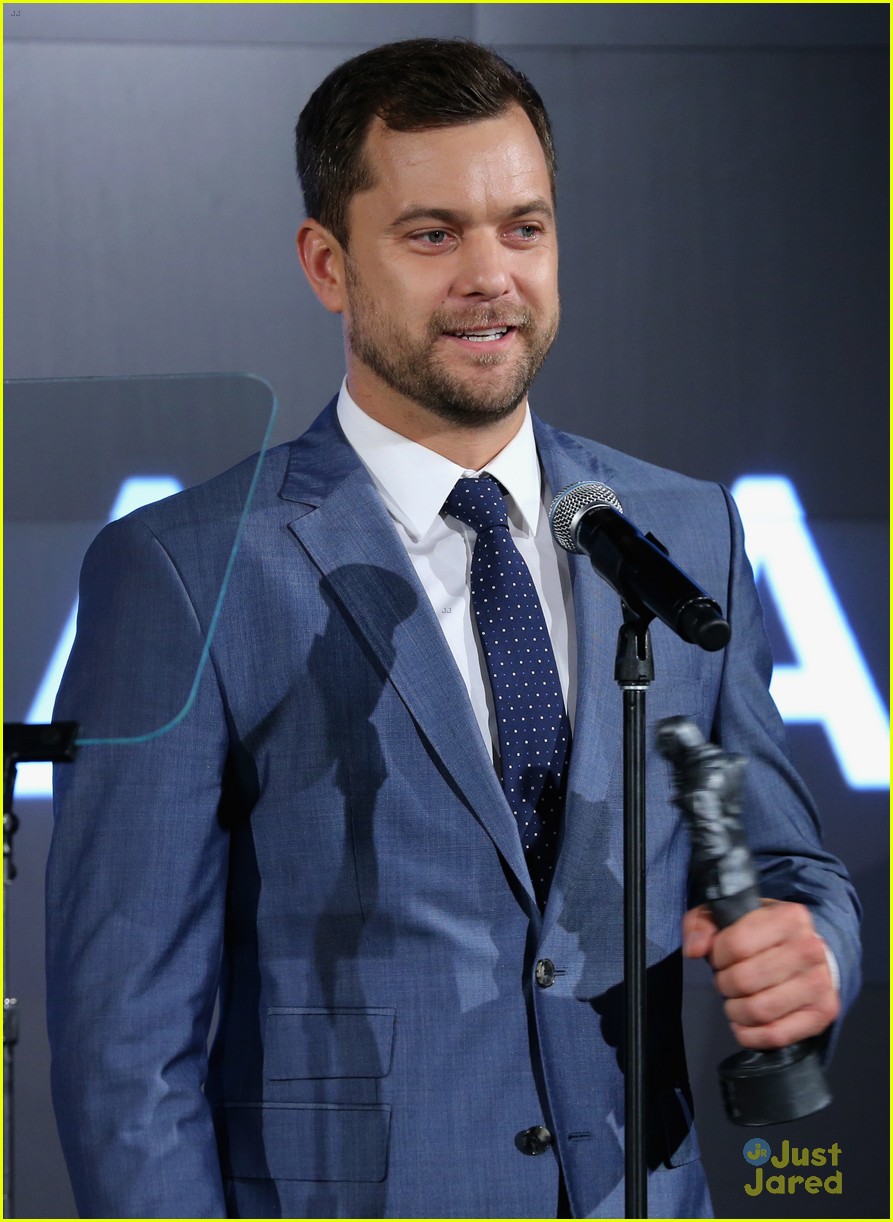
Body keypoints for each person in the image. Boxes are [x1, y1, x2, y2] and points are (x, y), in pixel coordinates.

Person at [47, 38, 860, 1220]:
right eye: (432, 235)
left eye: (522, 228)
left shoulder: (686, 528)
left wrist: (814, 952)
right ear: (327, 264)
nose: (492, 276)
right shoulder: (183, 569)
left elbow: (788, 866)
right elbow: (126, 1045)